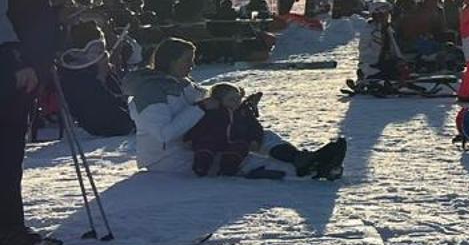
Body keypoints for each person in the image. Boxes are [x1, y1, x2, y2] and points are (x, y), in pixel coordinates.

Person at [128, 37, 346, 178]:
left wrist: (239, 106)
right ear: (171, 61)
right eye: (187, 60)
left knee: (255, 133)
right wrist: (201, 108)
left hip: (197, 142)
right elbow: (163, 134)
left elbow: (214, 100)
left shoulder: (184, 85)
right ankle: (306, 170)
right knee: (241, 157)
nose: (192, 65)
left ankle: (300, 158)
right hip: (167, 159)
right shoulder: (149, 92)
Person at [2, 0, 61, 245]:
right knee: (5, 152)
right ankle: (7, 234)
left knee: (11, 151)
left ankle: (12, 228)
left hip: (27, 66)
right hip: (11, 67)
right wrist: (15, 58)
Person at [57, 30, 135, 137]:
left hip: (112, 119)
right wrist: (101, 77)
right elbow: (103, 103)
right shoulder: (76, 77)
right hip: (102, 124)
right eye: (96, 52)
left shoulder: (98, 71)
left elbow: (119, 98)